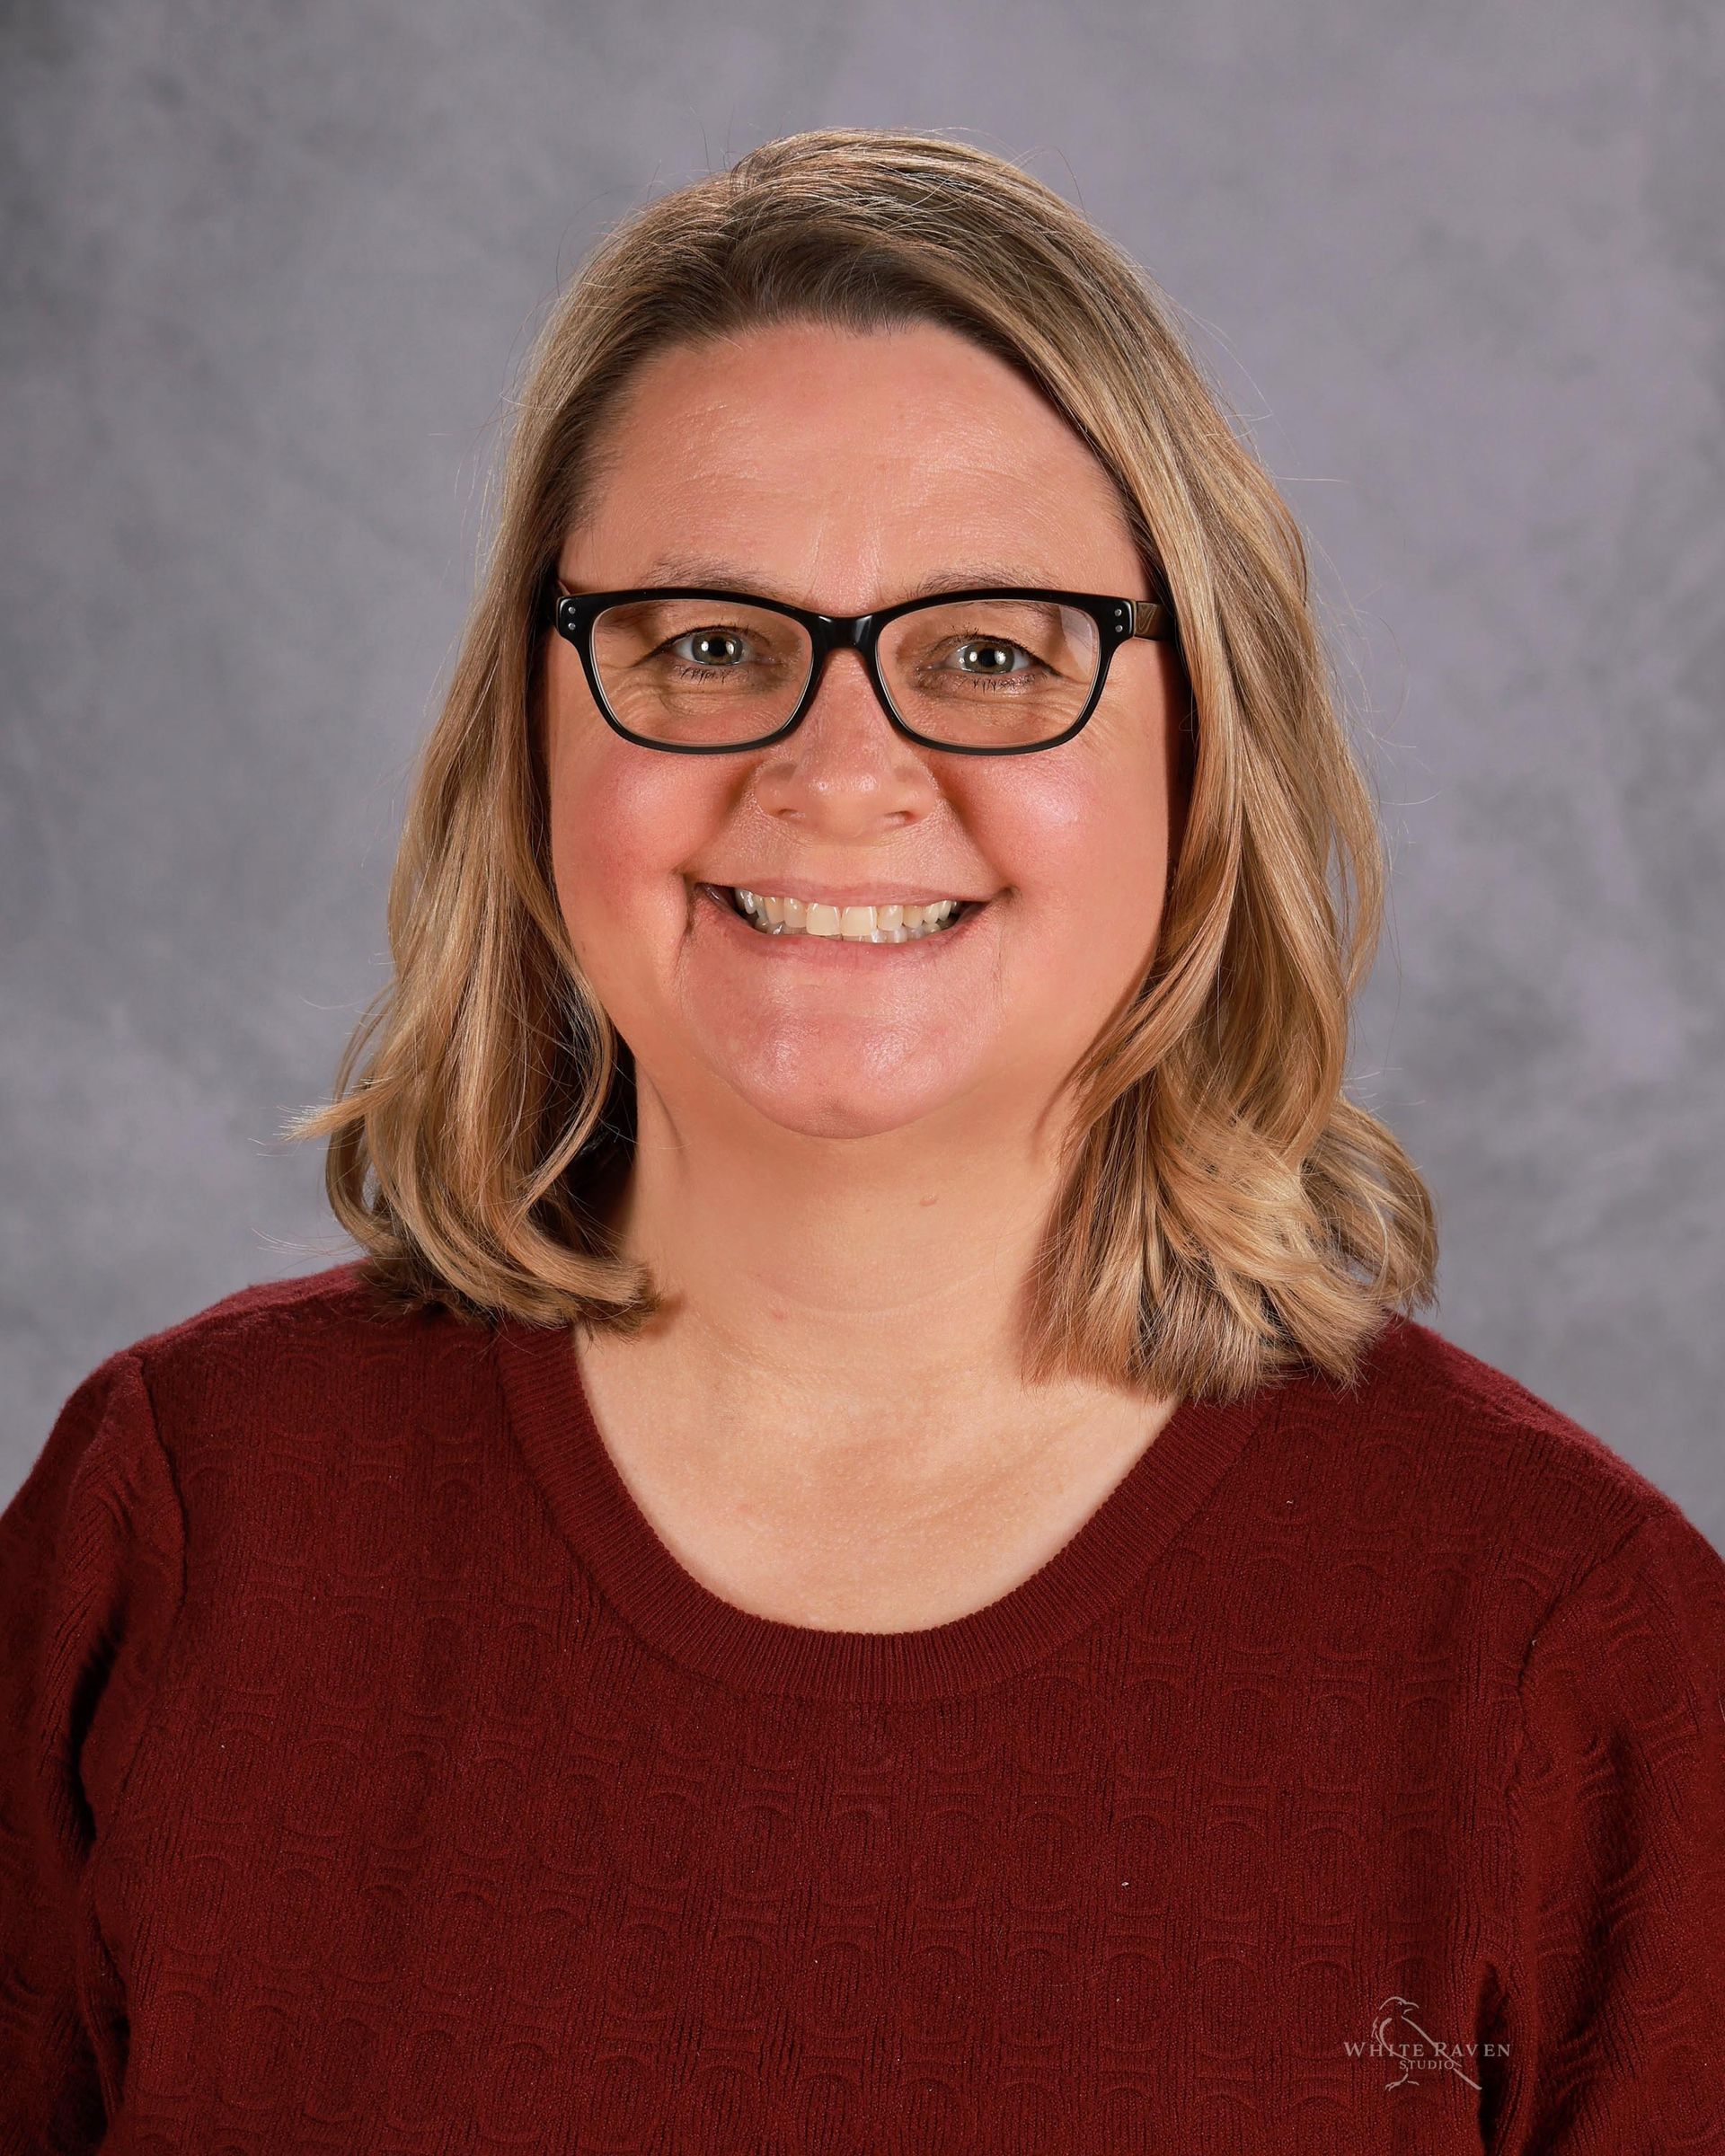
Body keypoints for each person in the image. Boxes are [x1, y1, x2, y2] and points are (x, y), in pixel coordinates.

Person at [4, 127, 1721, 2151]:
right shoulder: (187, 1530)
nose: (839, 772)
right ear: (528, 738)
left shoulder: (1568, 1651)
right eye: (705, 644)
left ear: (1204, 746)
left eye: (990, 655)